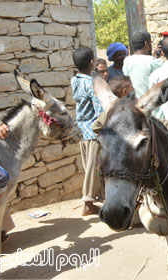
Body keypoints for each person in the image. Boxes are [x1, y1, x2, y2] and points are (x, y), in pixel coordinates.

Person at [71, 47, 104, 216]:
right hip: (93, 131)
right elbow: (99, 112)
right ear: (92, 62)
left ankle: (97, 198)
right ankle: (88, 203)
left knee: (89, 166)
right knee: (94, 168)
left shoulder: (75, 80)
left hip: (82, 130)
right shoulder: (92, 83)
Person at [122, 30, 163, 98]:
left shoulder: (127, 61)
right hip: (151, 106)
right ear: (146, 43)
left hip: (133, 104)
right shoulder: (155, 62)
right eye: (150, 43)